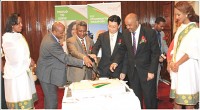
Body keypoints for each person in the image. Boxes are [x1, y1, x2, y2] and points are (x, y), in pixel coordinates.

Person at [36, 22, 93, 109]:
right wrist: (83, 62)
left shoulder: (50, 36)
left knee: (49, 99)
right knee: (52, 101)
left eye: (64, 32)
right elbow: (65, 58)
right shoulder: (51, 43)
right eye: (61, 33)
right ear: (54, 31)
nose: (63, 34)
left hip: (49, 72)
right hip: (47, 75)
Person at [110, 13, 160, 108]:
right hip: (132, 72)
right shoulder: (125, 33)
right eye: (126, 25)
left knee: (149, 98)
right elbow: (122, 50)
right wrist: (115, 61)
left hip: (147, 72)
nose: (128, 27)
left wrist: (152, 71)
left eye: (130, 25)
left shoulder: (149, 33)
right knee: (136, 98)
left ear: (137, 22)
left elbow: (155, 53)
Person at [2, 13, 38, 109]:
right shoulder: (7, 38)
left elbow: (24, 53)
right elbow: (13, 58)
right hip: (15, 75)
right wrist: (28, 61)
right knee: (19, 100)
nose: (21, 25)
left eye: (21, 22)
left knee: (26, 98)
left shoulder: (19, 36)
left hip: (23, 72)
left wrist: (29, 59)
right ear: (12, 25)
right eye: (19, 23)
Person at [169, 1, 199, 109]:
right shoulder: (180, 29)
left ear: (187, 14)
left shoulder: (195, 30)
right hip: (178, 68)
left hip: (187, 69)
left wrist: (177, 64)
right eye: (175, 14)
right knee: (177, 102)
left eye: (178, 15)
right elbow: (176, 48)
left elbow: (191, 51)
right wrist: (171, 62)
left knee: (188, 103)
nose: (176, 17)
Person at [91, 15, 127, 79]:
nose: (111, 29)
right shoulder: (102, 36)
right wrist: (93, 53)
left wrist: (123, 71)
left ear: (119, 26)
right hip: (103, 70)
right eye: (109, 26)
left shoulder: (124, 37)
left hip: (118, 70)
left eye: (114, 27)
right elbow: (96, 46)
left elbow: (125, 56)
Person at [153, 17, 169, 93]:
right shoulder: (149, 33)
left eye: (163, 26)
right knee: (151, 81)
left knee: (156, 80)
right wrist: (156, 57)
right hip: (151, 61)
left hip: (160, 60)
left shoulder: (162, 33)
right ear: (156, 24)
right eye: (161, 26)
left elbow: (164, 45)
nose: (162, 28)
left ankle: (155, 97)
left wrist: (170, 54)